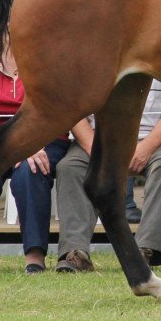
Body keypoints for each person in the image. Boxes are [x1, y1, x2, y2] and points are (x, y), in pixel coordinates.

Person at [0, 35, 70, 274]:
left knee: (30, 172)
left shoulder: (48, 56)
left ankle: (34, 256)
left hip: (44, 138)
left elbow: (57, 109)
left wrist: (29, 143)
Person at [55, 80, 161, 272]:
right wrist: (95, 149)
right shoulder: (92, 55)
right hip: (96, 140)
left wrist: (146, 148)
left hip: (151, 141)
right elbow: (72, 107)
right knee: (70, 167)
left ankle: (145, 250)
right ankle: (75, 253)